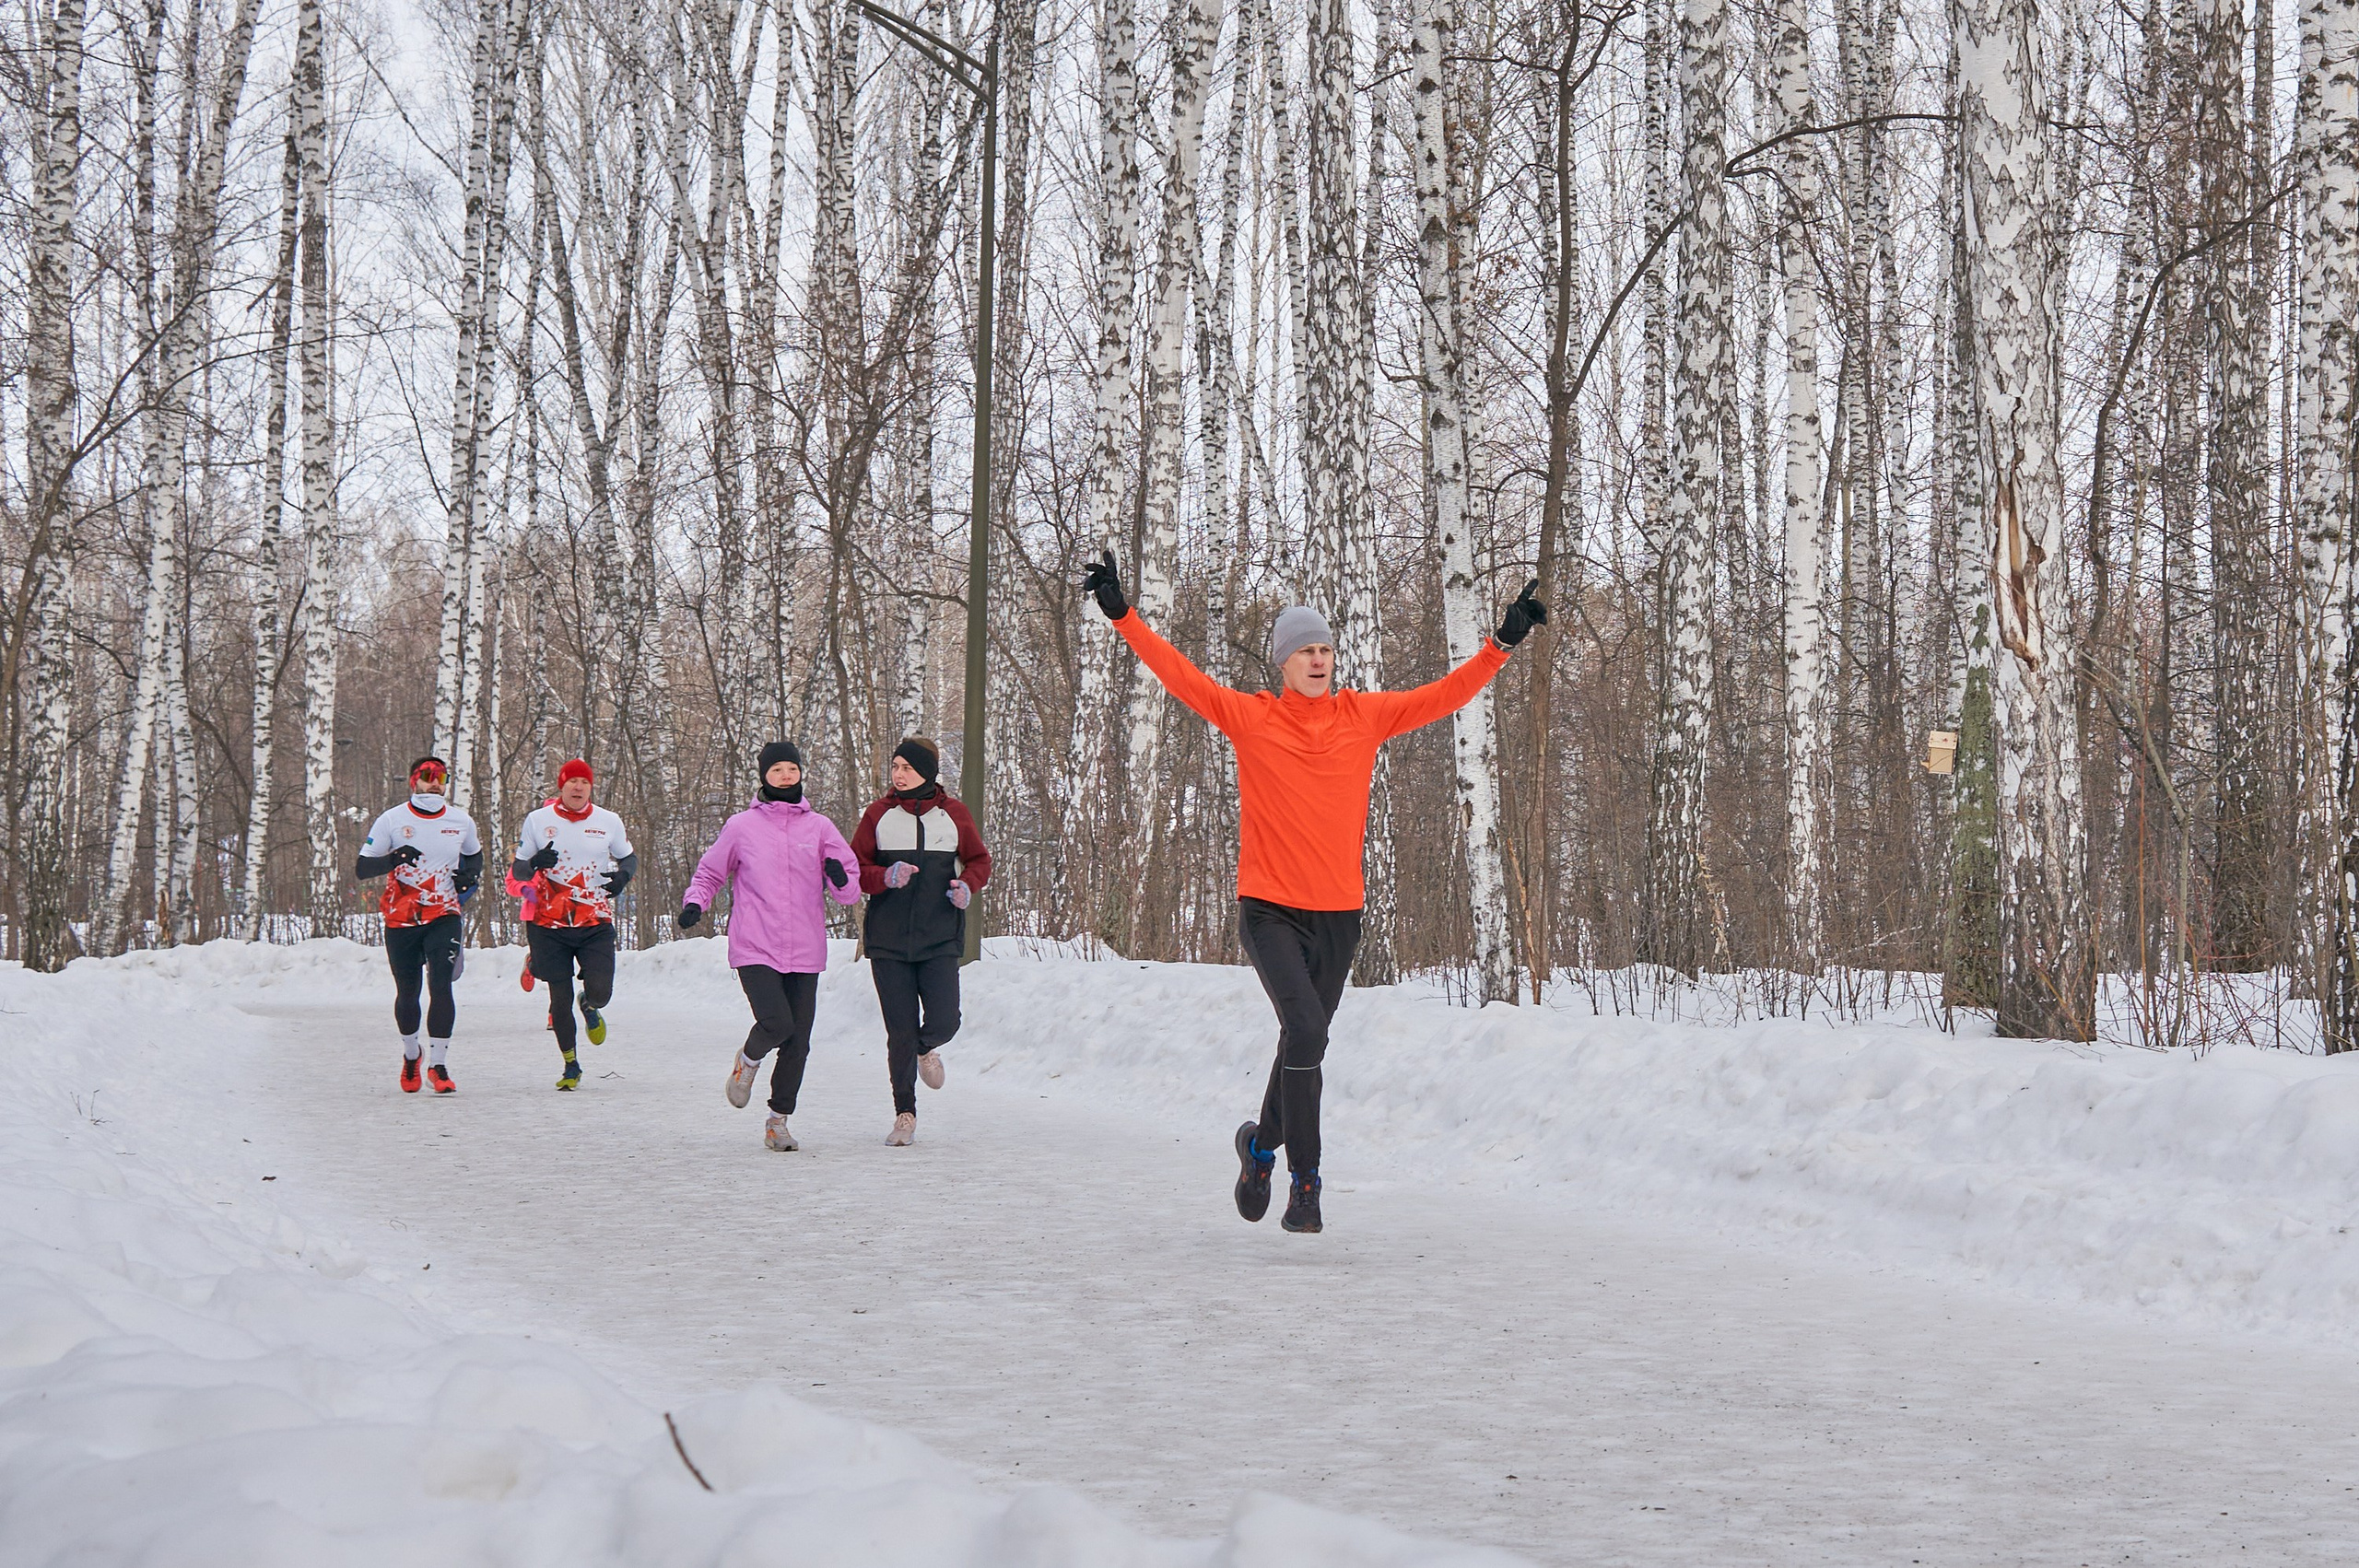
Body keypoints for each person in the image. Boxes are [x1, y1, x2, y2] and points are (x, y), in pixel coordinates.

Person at [1082, 549, 1547, 1234]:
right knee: (1304, 1031)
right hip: (1269, 909)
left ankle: (1259, 1148)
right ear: (1283, 662)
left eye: (1327, 648)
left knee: (1305, 1045)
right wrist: (1123, 615)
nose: (1319, 659)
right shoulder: (1250, 718)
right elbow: (1178, 675)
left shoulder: (1366, 717)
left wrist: (1502, 643)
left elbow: (1444, 695)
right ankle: (1306, 1181)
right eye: (1306, 651)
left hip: (1339, 916)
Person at [680, 742, 860, 1151]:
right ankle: (748, 1060)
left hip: (805, 948)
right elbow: (710, 871)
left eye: (791, 769)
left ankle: (777, 1121)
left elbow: (849, 891)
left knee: (799, 1042)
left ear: (801, 774)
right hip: (755, 943)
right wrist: (696, 901)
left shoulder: (820, 828)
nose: (784, 776)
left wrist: (839, 877)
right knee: (777, 1024)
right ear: (764, 776)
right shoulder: (741, 826)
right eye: (776, 769)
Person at [849, 735, 992, 1146]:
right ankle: (904, 1113)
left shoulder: (954, 814)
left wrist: (966, 885)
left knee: (947, 1020)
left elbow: (980, 860)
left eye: (907, 768)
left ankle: (926, 1046)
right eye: (895, 767)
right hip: (888, 941)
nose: (898, 774)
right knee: (900, 1032)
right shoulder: (877, 814)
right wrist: (884, 878)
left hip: (940, 937)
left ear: (927, 772)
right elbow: (855, 868)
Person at [353, 757, 483, 1094]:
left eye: (441, 776)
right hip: (402, 917)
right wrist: (394, 858)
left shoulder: (460, 820)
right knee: (408, 995)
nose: (435, 782)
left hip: (444, 914)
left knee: (442, 985)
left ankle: (438, 1066)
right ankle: (412, 1054)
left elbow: (475, 856)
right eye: (427, 776)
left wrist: (469, 876)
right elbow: (362, 868)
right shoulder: (393, 819)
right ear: (414, 781)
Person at [511, 758, 637, 1090]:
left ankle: (591, 1003)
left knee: (602, 991)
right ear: (561, 786)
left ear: (590, 787)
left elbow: (628, 857)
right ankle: (571, 1065)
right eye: (572, 783)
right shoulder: (538, 820)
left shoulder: (608, 821)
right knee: (559, 998)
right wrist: (536, 862)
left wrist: (623, 877)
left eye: (584, 783)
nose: (578, 788)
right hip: (548, 924)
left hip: (594, 920)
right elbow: (520, 870)